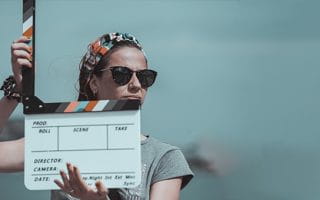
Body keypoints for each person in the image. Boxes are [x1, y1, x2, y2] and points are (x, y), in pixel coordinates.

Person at [0, 32, 193, 200]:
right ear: (93, 83)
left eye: (145, 77)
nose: (136, 85)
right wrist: (16, 91)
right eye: (121, 74)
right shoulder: (58, 141)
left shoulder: (163, 158)